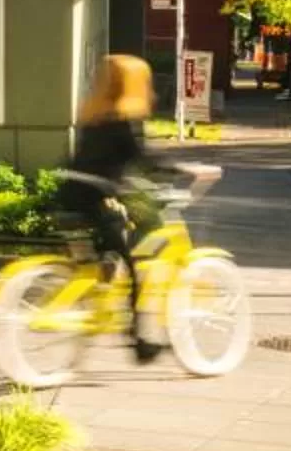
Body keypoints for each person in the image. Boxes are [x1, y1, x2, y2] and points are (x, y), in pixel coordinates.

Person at [56, 55, 192, 363]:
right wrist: (181, 170)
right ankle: (140, 342)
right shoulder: (124, 121)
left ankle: (97, 302)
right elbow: (143, 160)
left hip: (69, 195)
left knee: (101, 259)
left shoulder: (93, 115)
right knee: (132, 268)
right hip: (95, 200)